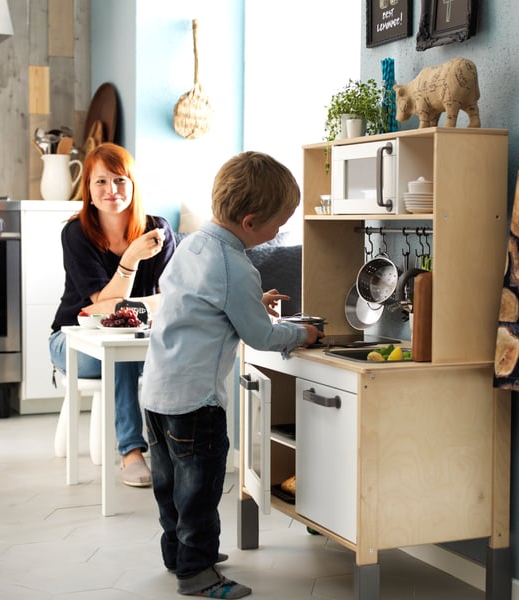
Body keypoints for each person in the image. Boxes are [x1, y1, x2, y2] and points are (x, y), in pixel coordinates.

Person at [141, 151, 323, 598]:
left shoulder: (193, 246)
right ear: (249, 222)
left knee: (170, 485)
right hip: (196, 400)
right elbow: (261, 337)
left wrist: (250, 304)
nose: (280, 231)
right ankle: (199, 574)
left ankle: (178, 554)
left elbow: (199, 305)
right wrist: (302, 333)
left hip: (157, 391)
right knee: (200, 490)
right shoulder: (237, 266)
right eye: (279, 222)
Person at [49, 142, 176, 488]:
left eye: (120, 180)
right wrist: (131, 259)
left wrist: (125, 306)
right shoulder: (76, 233)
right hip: (71, 341)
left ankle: (177, 448)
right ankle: (132, 452)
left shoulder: (159, 230)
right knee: (117, 348)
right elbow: (96, 309)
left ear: (133, 185)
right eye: (100, 182)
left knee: (169, 347)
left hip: (141, 340)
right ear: (88, 190)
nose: (111, 190)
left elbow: (171, 299)